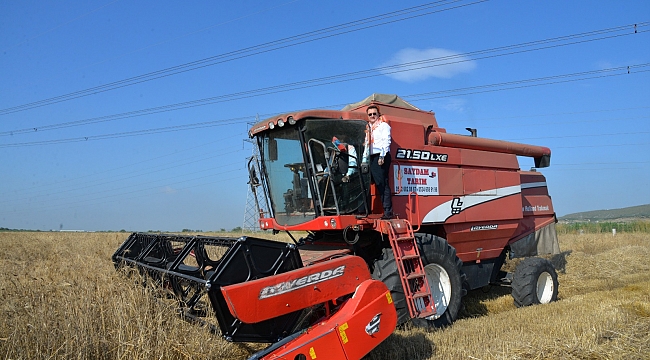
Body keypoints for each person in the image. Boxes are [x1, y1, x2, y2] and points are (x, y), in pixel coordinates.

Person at [363, 105, 393, 219]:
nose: (372, 116)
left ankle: (387, 212)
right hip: (370, 157)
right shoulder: (368, 128)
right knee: (365, 182)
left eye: (374, 114)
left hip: (380, 155)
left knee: (382, 183)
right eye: (370, 114)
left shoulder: (383, 126)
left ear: (378, 115)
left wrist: (382, 156)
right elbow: (366, 144)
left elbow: (386, 140)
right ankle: (365, 210)